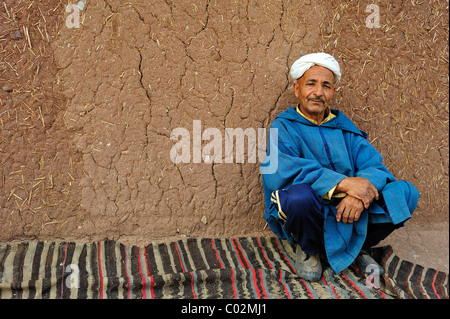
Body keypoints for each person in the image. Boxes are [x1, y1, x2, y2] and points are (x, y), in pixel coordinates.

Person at [260, 52, 420, 281]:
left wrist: (358, 196)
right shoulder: (284, 126)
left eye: (326, 86)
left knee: (405, 193)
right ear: (297, 89)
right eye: (310, 84)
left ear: (333, 92)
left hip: (351, 211)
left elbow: (375, 166)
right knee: (297, 197)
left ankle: (357, 247)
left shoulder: (344, 127)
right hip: (313, 210)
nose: (318, 92)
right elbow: (280, 172)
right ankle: (309, 248)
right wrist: (345, 184)